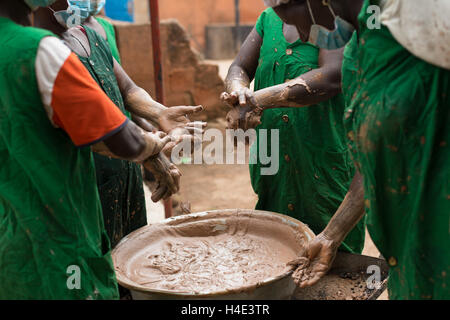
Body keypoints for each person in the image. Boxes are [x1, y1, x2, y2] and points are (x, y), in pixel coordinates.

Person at [0, 0, 180, 299]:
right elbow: (122, 140)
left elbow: (122, 96)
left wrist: (154, 117)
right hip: (60, 239)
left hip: (14, 238)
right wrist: (153, 144)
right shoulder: (40, 49)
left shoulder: (88, 36)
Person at [291, 0, 450, 300]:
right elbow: (374, 158)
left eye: (291, 16)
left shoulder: (425, 16)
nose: (300, 35)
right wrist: (331, 235)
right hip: (407, 250)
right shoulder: (361, 44)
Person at [33, 0, 206, 248]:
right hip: (84, 185)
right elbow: (92, 131)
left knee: (133, 253)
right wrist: (152, 150)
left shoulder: (88, 35)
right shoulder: (45, 52)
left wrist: (160, 113)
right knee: (99, 260)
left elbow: (127, 89)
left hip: (126, 174)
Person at [221, 0, 365, 254]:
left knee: (334, 258)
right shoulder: (268, 19)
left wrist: (258, 101)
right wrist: (238, 92)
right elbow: (239, 67)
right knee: (275, 249)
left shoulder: (331, 17)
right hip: (274, 161)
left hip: (322, 160)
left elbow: (332, 76)